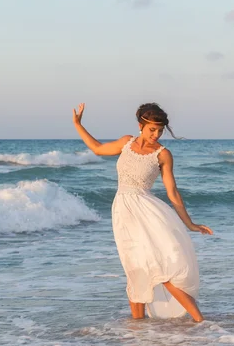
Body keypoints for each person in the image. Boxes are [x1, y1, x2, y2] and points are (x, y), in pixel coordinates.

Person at [72, 102, 212, 322]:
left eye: (160, 130)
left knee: (160, 269)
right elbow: (98, 148)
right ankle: (138, 329)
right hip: (123, 212)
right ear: (141, 125)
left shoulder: (163, 154)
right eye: (152, 130)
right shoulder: (125, 143)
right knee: (135, 269)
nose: (156, 135)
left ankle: (201, 322)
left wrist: (190, 224)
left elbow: (172, 192)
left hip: (147, 212)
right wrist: (78, 125)